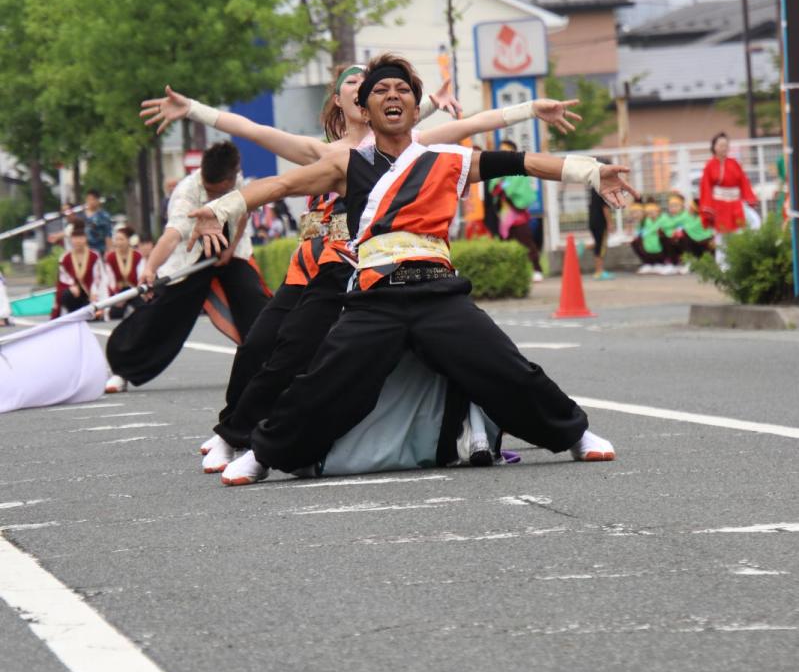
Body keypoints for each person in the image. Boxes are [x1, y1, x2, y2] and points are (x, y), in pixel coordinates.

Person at [189, 54, 633, 485]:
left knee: (507, 367)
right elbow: (282, 184)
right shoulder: (347, 162)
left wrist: (590, 172)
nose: (393, 95)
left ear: (416, 108)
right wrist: (221, 208)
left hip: (438, 294)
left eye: (403, 89)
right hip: (374, 300)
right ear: (364, 109)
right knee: (320, 382)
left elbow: (519, 164)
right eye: (380, 90)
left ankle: (574, 433)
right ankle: (263, 454)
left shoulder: (445, 158)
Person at [103, 142, 268, 393]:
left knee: (254, 299)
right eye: (210, 194)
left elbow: (243, 215)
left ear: (232, 176)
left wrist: (230, 249)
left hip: (230, 251)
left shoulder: (239, 182)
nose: (213, 199)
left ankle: (273, 365)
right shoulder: (186, 193)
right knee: (167, 311)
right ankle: (123, 369)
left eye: (219, 193)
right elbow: (171, 236)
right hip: (193, 255)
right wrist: (150, 267)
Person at [489, 138, 544, 281]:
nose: (502, 152)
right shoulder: (497, 170)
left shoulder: (520, 169)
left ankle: (536, 269)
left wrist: (507, 192)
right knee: (507, 244)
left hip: (517, 213)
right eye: (500, 150)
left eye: (505, 150)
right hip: (504, 215)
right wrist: (499, 189)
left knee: (526, 242)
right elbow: (493, 188)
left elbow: (522, 190)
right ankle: (512, 273)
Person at [699, 133, 758, 264]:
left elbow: (744, 182)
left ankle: (741, 262)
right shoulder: (709, 166)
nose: (724, 148)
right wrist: (708, 207)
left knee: (751, 224)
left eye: (726, 145)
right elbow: (705, 187)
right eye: (721, 145)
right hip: (719, 206)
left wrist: (749, 198)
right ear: (714, 147)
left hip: (736, 204)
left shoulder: (734, 163)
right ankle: (723, 268)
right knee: (722, 237)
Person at [51, 221, 105, 317]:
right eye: (75, 238)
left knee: (91, 314)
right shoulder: (65, 258)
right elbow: (63, 279)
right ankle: (73, 313)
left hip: (90, 294)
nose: (78, 241)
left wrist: (94, 293)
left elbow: (97, 278)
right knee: (67, 294)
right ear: (71, 239)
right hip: (75, 293)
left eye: (81, 238)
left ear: (85, 239)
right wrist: (72, 286)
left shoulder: (94, 256)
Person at [103, 226, 145, 318]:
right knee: (115, 312)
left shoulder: (137, 255)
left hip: (134, 289)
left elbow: (140, 275)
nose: (119, 242)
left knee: (143, 309)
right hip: (118, 290)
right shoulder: (111, 257)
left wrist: (139, 291)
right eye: (117, 239)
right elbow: (110, 279)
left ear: (128, 240)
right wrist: (116, 295)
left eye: (122, 239)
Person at [588, 162, 614, 280]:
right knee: (601, 246)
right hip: (600, 222)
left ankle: (585, 247)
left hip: (592, 220)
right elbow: (605, 207)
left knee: (597, 244)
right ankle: (599, 271)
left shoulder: (594, 186)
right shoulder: (604, 187)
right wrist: (609, 223)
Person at [84, 190, 114, 254]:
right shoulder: (81, 215)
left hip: (100, 249)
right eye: (89, 199)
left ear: (98, 200)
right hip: (84, 250)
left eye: (93, 199)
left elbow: (108, 235)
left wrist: (109, 251)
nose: (91, 202)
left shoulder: (104, 216)